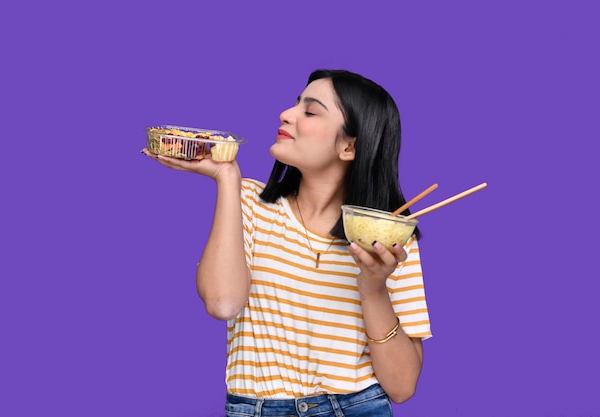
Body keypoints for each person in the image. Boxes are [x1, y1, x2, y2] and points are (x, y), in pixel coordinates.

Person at [142, 69, 432, 417]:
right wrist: (226, 176)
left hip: (356, 407)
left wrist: (373, 289)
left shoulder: (387, 239)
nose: (286, 114)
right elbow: (222, 303)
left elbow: (402, 388)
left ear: (349, 146)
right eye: (297, 103)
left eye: (310, 111)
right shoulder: (247, 203)